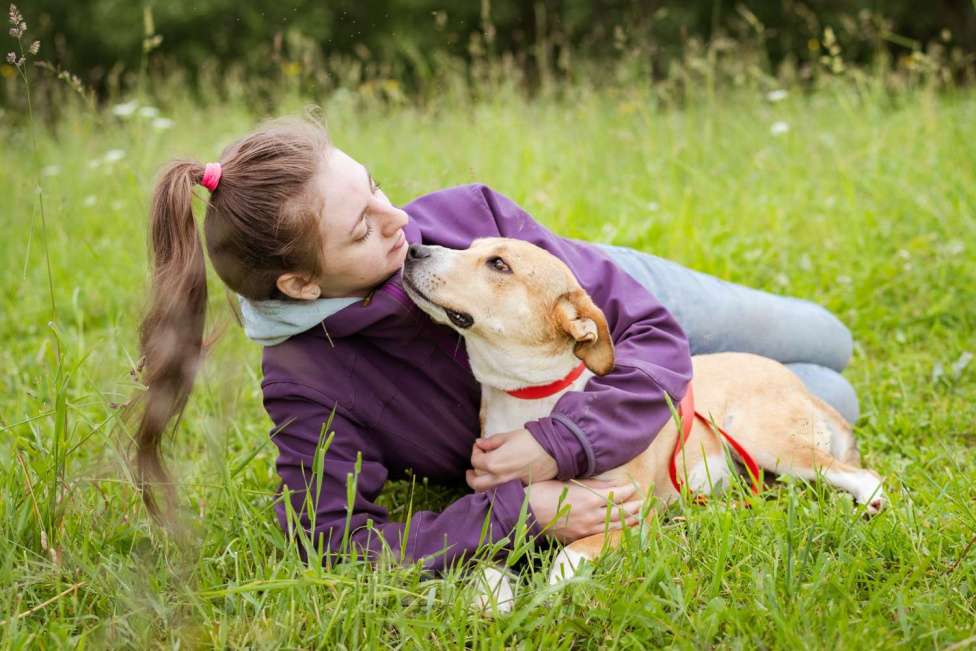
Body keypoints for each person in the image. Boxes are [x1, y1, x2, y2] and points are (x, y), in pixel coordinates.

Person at [134, 116, 857, 571]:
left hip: (610, 308)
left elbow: (651, 335)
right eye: (361, 229)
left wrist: (561, 443)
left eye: (377, 188)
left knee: (829, 344)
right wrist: (526, 511)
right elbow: (334, 541)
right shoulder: (305, 381)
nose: (400, 221)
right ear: (298, 285)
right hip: (618, 396)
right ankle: (740, 409)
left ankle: (743, 395)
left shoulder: (463, 216)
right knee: (826, 398)